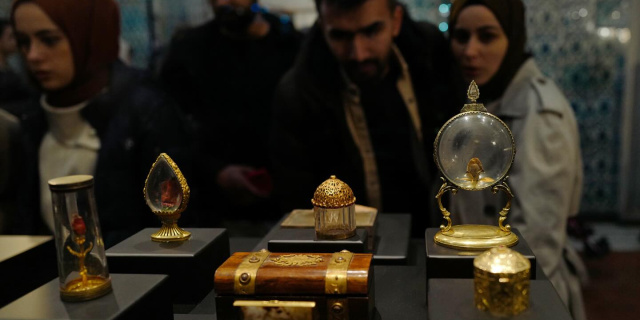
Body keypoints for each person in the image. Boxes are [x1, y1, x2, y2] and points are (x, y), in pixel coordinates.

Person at [447, 1, 587, 319]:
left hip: (516, 294)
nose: (470, 51)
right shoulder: (487, 97)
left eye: (487, 36)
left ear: (513, 38)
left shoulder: (540, 112)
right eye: (461, 36)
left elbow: (538, 243)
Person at [11, 0, 191, 246]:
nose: (33, 55)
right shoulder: (31, 120)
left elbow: (176, 231)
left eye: (49, 40)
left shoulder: (145, 110)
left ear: (91, 36)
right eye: (23, 42)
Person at [270, 0, 455, 235]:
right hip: (347, 249)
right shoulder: (298, 92)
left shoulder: (430, 54)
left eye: (371, 31)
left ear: (396, 21)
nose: (358, 53)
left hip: (436, 234)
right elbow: (297, 204)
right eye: (340, 36)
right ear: (322, 25)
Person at [160, 0, 301, 230]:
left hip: (287, 208)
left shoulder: (291, 46)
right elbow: (172, 131)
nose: (224, 2)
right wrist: (216, 172)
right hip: (212, 213)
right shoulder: (188, 51)